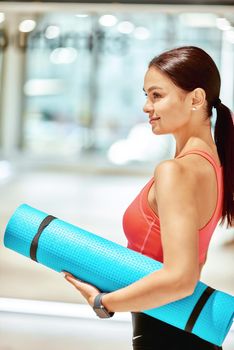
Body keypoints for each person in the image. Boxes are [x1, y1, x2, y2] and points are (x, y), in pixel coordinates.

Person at [62, 46, 234, 350]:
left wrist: (104, 302)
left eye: (156, 95)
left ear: (195, 98)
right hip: (179, 332)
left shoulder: (176, 171)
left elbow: (181, 278)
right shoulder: (213, 165)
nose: (146, 106)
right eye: (146, 95)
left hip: (166, 335)